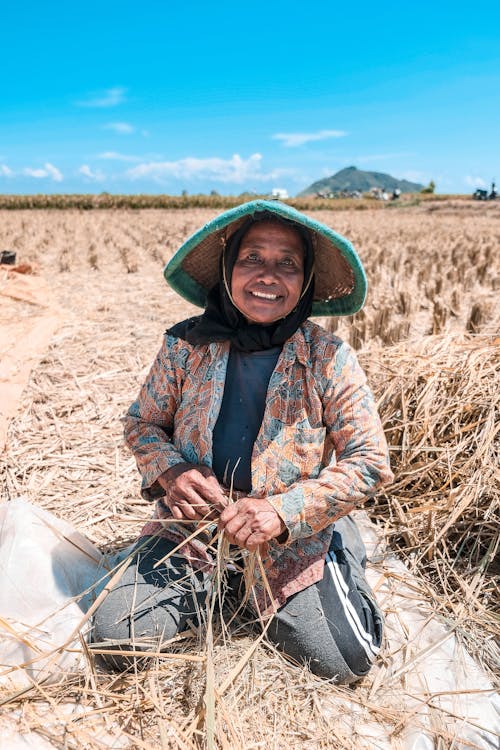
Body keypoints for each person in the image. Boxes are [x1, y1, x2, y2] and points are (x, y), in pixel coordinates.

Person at [93, 199, 393, 684]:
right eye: (252, 258)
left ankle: (340, 541)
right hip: (194, 529)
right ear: (229, 270)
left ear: (306, 280)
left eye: (287, 263)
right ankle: (220, 580)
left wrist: (284, 512)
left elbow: (370, 461)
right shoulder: (185, 345)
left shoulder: (328, 357)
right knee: (117, 637)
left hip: (288, 535)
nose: (268, 275)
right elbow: (142, 423)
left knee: (344, 659)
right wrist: (173, 472)